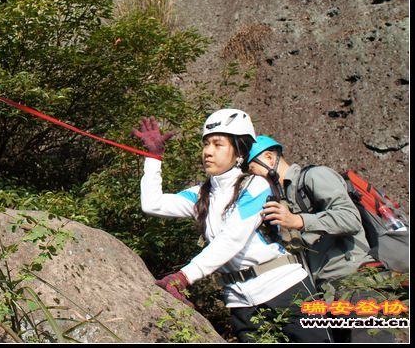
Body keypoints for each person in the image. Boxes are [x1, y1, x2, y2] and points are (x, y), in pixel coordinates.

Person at [134, 110, 329, 342]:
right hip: (240, 301)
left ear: (239, 151)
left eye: (218, 144)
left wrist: (184, 276)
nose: (207, 151)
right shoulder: (202, 195)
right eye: (206, 144)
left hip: (286, 289)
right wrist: (153, 158)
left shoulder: (256, 186)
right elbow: (152, 204)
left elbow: (232, 238)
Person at [247, 135, 395, 343]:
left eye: (253, 170)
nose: (252, 179)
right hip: (330, 295)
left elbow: (350, 218)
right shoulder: (281, 199)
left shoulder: (315, 176)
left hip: (359, 285)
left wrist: (299, 220)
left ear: (270, 158)